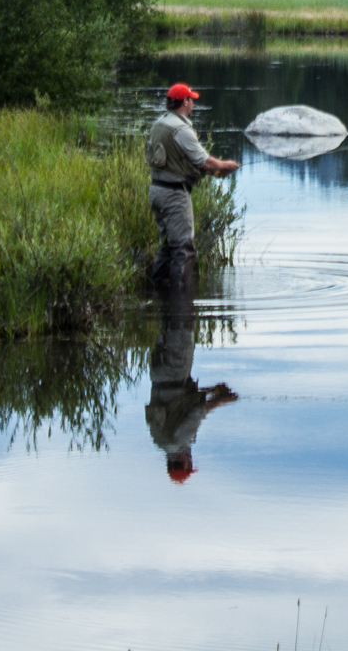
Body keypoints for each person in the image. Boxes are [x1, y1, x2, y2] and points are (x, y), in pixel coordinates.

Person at [144, 82, 239, 290]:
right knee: (183, 249)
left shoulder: (159, 123)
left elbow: (180, 162)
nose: (192, 105)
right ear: (184, 102)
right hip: (174, 195)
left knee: (167, 246)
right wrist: (227, 165)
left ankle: (159, 293)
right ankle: (180, 301)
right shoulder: (181, 129)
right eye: (191, 100)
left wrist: (215, 171)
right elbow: (205, 162)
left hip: (157, 190)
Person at [145, 285, 238, 483]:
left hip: (175, 372)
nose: (191, 458)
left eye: (189, 464)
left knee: (182, 320)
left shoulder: (180, 442)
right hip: (158, 373)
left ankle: (178, 283)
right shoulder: (159, 440)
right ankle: (163, 287)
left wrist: (221, 400)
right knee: (167, 319)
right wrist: (210, 390)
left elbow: (196, 413)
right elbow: (176, 404)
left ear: (183, 462)